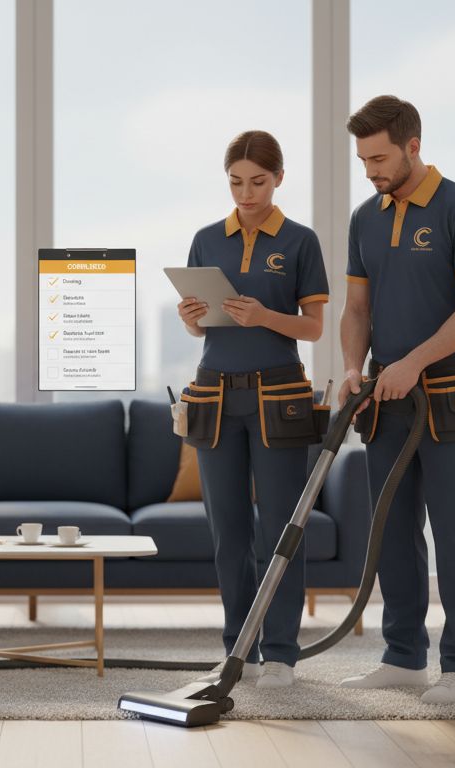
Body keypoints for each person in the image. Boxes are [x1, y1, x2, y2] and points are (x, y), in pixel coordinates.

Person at [336, 95, 455, 703]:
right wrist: (353, 368)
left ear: (413, 146)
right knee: (392, 531)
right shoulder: (365, 218)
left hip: (448, 395)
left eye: (379, 159)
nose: (370, 171)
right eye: (363, 160)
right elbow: (357, 309)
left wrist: (414, 362)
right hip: (385, 396)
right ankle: (403, 657)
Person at [177, 130, 330, 689]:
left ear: (279, 179)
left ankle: (282, 653)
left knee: (281, 530)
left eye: (258, 182)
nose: (246, 193)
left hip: (278, 397)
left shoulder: (300, 241)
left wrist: (264, 316)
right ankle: (237, 651)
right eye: (236, 182)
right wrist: (191, 319)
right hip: (215, 396)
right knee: (230, 533)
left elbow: (313, 328)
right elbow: (203, 329)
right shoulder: (205, 239)